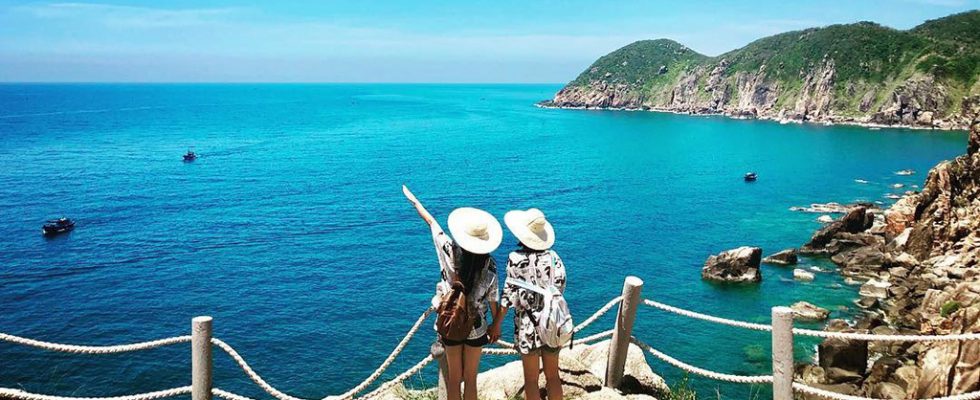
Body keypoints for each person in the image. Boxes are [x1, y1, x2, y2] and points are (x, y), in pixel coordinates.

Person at [403, 185, 502, 400]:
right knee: (471, 379)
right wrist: (495, 325)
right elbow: (493, 299)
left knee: (454, 379)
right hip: (477, 327)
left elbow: (431, 223)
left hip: (451, 322)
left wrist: (415, 201)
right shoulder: (490, 266)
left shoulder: (449, 249)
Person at [493, 208, 566, 400]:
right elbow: (560, 287)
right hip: (552, 324)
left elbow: (507, 297)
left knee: (531, 380)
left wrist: (496, 324)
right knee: (553, 376)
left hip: (528, 327)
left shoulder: (515, 259)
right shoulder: (554, 258)